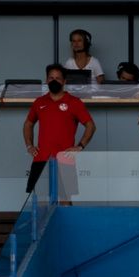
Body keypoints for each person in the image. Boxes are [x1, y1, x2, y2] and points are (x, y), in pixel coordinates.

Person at [23, 62, 96, 199]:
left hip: (65, 158)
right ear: (46, 80)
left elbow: (90, 125)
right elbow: (28, 124)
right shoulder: (39, 102)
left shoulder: (74, 102)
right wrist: (29, 145)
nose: (54, 81)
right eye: (51, 78)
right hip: (41, 158)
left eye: (58, 78)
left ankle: (66, 221)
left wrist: (80, 146)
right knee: (37, 199)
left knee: (65, 199)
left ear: (64, 81)